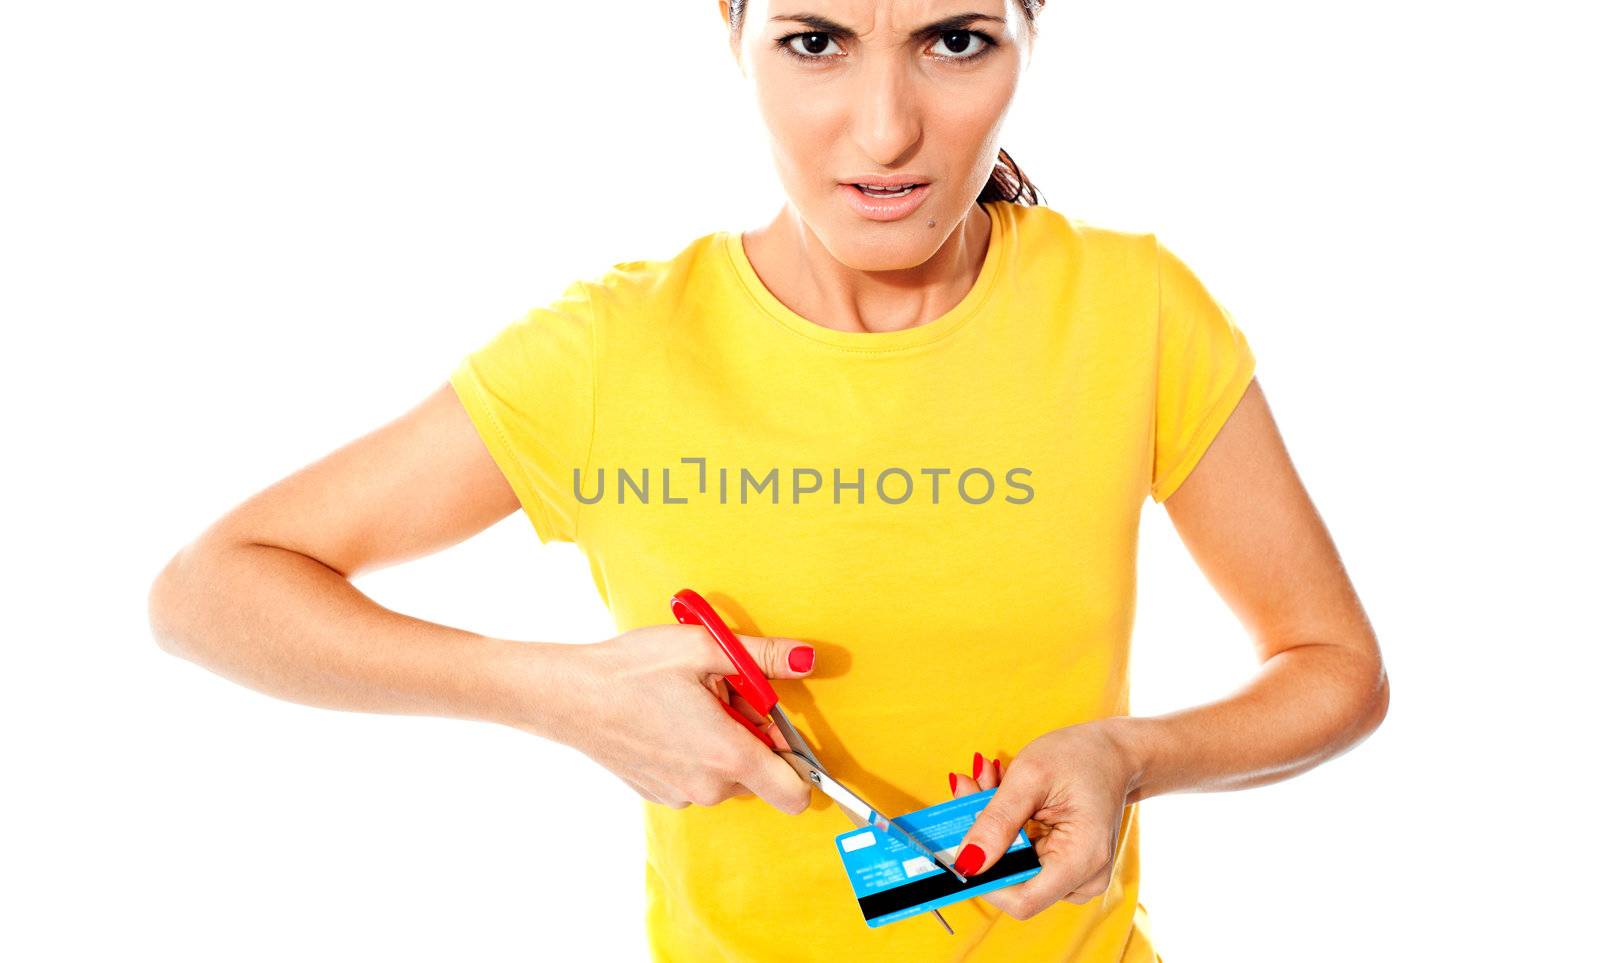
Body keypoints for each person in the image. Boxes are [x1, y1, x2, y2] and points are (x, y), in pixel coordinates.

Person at [147, 1, 1390, 959]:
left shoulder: (1135, 312)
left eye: (955, 41)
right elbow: (210, 590)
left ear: (1029, 36)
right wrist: (553, 693)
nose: (886, 129)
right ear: (731, 32)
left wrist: (1131, 752)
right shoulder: (610, 353)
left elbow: (1331, 667)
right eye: (815, 42)